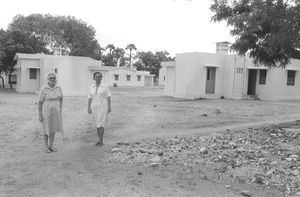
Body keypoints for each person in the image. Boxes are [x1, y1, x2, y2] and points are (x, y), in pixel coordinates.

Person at [38, 72, 63, 153]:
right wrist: (40, 114)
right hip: (46, 111)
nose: (52, 79)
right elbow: (40, 102)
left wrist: (60, 108)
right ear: (48, 80)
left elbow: (61, 98)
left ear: (56, 79)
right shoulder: (44, 88)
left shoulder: (58, 88)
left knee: (53, 128)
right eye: (51, 78)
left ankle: (51, 145)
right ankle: (46, 146)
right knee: (46, 128)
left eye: (54, 78)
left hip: (56, 111)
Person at [87, 72, 112, 146]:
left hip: (102, 106)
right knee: (97, 123)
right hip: (94, 106)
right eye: (96, 77)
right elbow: (89, 98)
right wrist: (88, 107)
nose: (98, 78)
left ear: (101, 78)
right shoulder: (92, 87)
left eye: (99, 77)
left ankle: (101, 141)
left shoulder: (105, 86)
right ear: (94, 78)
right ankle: (99, 139)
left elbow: (108, 97)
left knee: (101, 123)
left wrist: (109, 106)